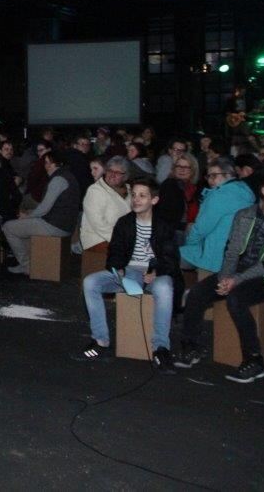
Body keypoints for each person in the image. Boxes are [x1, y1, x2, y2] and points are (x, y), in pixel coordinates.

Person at [174, 167, 264, 382]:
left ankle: (255, 360)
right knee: (196, 293)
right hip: (237, 272)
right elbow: (232, 251)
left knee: (236, 298)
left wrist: (235, 280)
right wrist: (225, 276)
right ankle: (190, 347)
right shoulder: (245, 215)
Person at [74, 177, 178, 372]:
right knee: (90, 282)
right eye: (134, 195)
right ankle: (100, 340)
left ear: (154, 200)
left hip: (156, 272)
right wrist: (118, 268)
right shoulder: (124, 223)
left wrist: (157, 273)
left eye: (142, 196)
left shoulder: (164, 225)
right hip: (130, 271)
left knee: (164, 287)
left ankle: (161, 347)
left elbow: (171, 259)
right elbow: (115, 252)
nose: (136, 200)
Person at [2, 151, 80, 275]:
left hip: (55, 226)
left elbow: (44, 208)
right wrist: (29, 215)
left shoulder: (58, 179)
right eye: (46, 163)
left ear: (56, 164)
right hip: (64, 224)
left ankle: (26, 265)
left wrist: (27, 216)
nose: (47, 166)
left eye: (49, 163)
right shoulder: (68, 176)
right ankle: (33, 262)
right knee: (25, 225)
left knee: (8, 227)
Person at [179, 157, 256, 275]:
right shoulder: (245, 191)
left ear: (229, 174)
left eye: (214, 175)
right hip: (235, 256)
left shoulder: (219, 195)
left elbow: (202, 228)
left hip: (213, 256)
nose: (210, 180)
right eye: (208, 176)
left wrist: (190, 244)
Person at [80, 156, 131, 254]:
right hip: (97, 239)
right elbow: (98, 224)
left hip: (123, 238)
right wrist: (120, 240)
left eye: (117, 173)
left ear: (125, 176)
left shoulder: (130, 190)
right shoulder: (95, 190)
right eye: (110, 171)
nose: (112, 175)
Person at [156, 154, 199, 232]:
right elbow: (163, 217)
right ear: (174, 169)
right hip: (173, 234)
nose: (181, 170)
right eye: (178, 166)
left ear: (193, 170)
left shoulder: (193, 188)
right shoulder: (169, 186)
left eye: (186, 167)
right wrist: (184, 226)